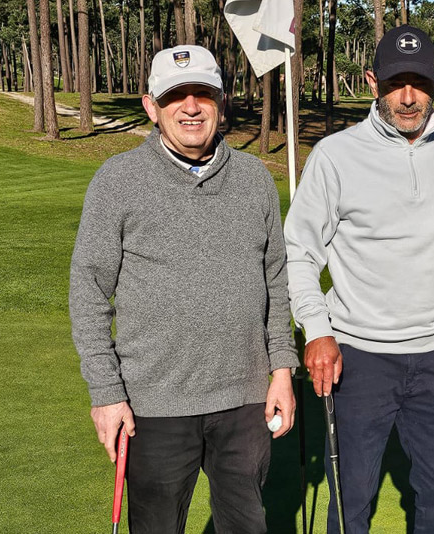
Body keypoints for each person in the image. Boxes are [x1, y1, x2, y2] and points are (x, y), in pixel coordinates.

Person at [70, 44, 298, 534]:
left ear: (221, 102)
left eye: (203, 94)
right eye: (176, 95)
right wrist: (106, 393)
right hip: (152, 404)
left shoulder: (255, 179)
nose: (191, 107)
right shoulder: (118, 180)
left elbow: (276, 283)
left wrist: (282, 370)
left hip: (244, 400)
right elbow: (88, 292)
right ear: (151, 106)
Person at [285, 25, 434, 534]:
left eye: (420, 82)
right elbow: (300, 252)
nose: (409, 97)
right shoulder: (335, 155)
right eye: (396, 83)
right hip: (359, 357)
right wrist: (317, 330)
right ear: (374, 82)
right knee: (352, 499)